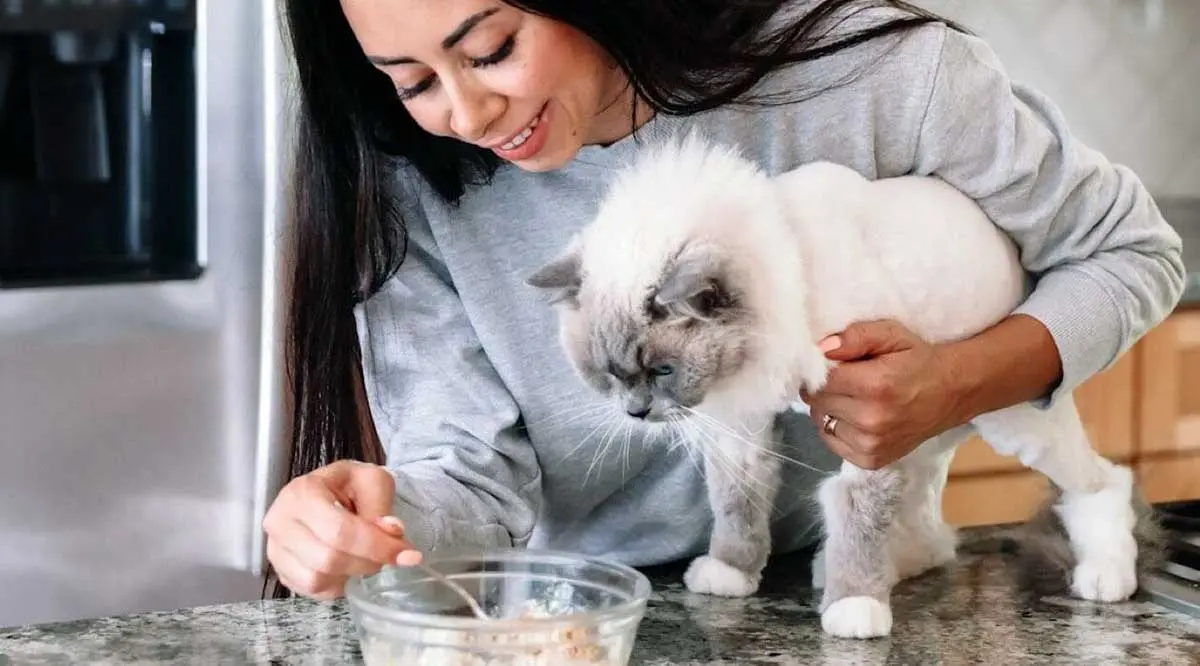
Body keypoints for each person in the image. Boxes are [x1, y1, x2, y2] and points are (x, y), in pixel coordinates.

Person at [261, 0, 1186, 601]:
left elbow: (1129, 251)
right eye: (414, 80)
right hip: (580, 626)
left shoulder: (875, 78)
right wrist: (375, 515)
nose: (466, 116)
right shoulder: (417, 178)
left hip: (852, 595)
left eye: (492, 49)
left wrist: (957, 383)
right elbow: (470, 478)